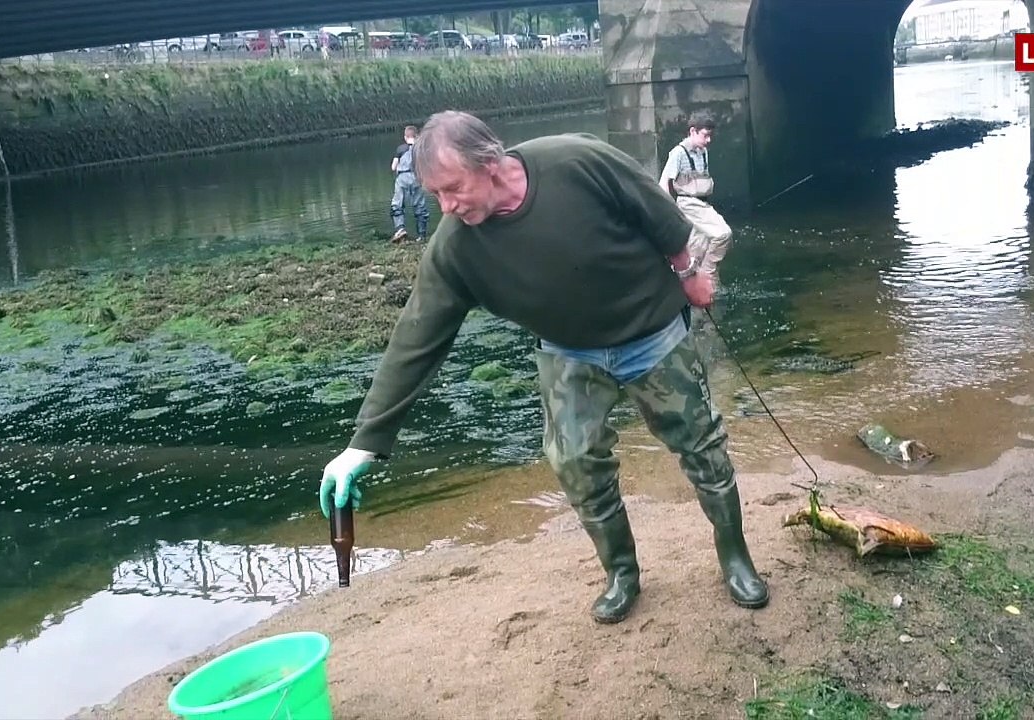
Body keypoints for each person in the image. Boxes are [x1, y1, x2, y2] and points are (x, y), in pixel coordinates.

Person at [318, 110, 769, 624]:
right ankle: (622, 573)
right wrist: (364, 442)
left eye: (452, 188)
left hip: (653, 331)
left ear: (489, 163)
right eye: (434, 196)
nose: (446, 206)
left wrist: (689, 272)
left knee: (701, 445)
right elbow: (415, 339)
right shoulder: (456, 246)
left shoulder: (574, 161)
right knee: (574, 461)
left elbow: (657, 211)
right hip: (568, 350)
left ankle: (735, 558)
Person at [659, 110, 734, 284]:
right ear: (693, 131)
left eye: (710, 136)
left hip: (704, 205)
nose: (709, 140)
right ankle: (708, 277)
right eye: (705, 135)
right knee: (723, 235)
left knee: (697, 253)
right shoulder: (678, 153)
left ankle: (696, 289)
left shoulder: (703, 152)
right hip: (688, 205)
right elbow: (664, 183)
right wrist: (669, 213)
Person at [389, 125, 429, 243]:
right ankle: (421, 235)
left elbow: (393, 167)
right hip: (417, 178)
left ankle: (400, 228)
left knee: (397, 204)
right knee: (420, 206)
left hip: (402, 178)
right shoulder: (421, 149)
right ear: (417, 136)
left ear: (405, 137)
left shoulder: (401, 149)